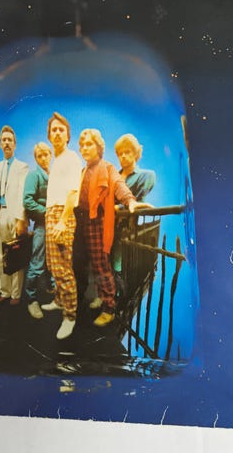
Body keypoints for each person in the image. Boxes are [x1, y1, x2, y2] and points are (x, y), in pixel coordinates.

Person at [76, 129, 151, 327]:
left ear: (99, 147)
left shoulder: (107, 168)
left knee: (101, 265)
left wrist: (130, 201)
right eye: (82, 145)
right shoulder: (82, 171)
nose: (85, 148)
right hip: (80, 223)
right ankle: (100, 297)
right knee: (87, 265)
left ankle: (109, 308)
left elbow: (119, 185)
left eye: (89, 144)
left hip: (97, 223)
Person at [42, 112, 82, 340]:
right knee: (53, 264)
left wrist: (63, 221)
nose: (57, 133)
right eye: (53, 130)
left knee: (63, 269)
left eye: (61, 130)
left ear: (68, 135)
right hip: (52, 214)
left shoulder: (71, 158)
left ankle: (70, 316)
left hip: (61, 214)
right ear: (49, 136)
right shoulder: (57, 161)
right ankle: (59, 300)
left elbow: (73, 192)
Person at [0, 125, 29, 305]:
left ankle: (16, 294)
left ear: (15, 144)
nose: (7, 143)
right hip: (2, 213)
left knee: (16, 254)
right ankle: (5, 291)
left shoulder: (22, 167)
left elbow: (23, 194)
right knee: (2, 254)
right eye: (4, 140)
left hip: (16, 214)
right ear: (0, 144)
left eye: (10, 140)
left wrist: (21, 219)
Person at [112, 133, 156, 276]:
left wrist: (117, 208)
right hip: (107, 225)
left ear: (136, 153)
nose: (123, 156)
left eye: (127, 152)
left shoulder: (146, 175)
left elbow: (138, 202)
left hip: (126, 226)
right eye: (120, 154)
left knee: (119, 265)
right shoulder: (114, 176)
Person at [23, 142, 56, 319]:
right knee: (37, 262)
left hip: (55, 225)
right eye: (39, 156)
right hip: (42, 225)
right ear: (36, 158)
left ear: (51, 155)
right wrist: (47, 212)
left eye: (46, 154)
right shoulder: (34, 175)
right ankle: (31, 300)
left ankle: (52, 289)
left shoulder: (54, 174)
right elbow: (27, 201)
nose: (43, 158)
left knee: (54, 260)